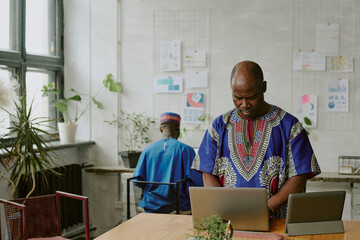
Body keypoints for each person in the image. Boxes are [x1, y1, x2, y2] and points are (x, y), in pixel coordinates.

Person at [192, 61, 321, 218]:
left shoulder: (289, 126)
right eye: (237, 97)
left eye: (251, 97)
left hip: (277, 219)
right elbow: (207, 172)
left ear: (264, 87)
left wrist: (266, 209)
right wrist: (223, 207)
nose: (245, 104)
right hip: (230, 219)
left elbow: (299, 178)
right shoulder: (219, 127)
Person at [133, 112, 203, 214]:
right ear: (177, 127)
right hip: (178, 207)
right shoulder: (186, 150)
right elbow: (199, 182)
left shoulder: (147, 150)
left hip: (150, 207)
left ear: (161, 128)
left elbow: (137, 181)